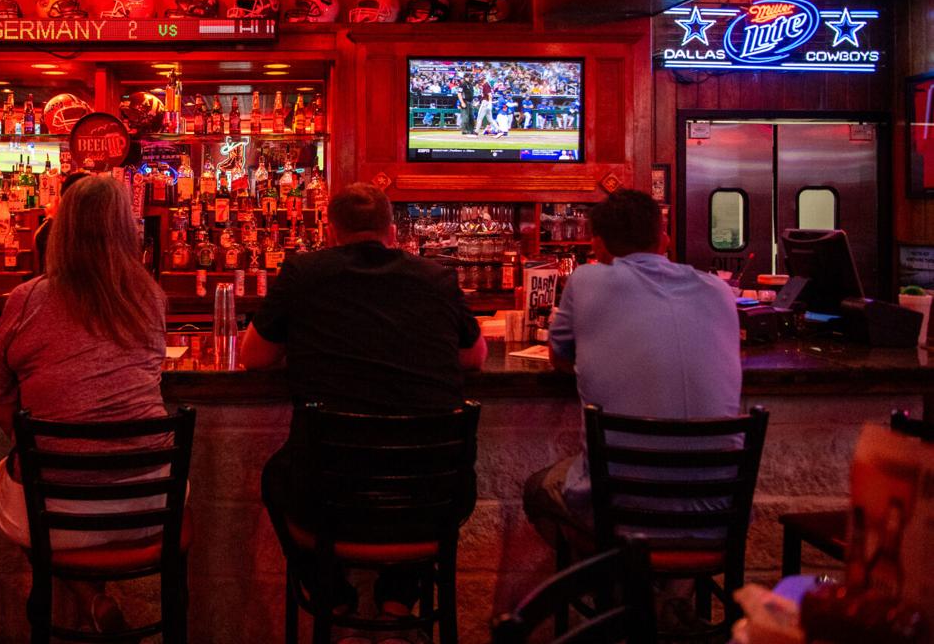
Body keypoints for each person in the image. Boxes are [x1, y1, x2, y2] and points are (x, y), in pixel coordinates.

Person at [242, 183, 486, 620]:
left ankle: (332, 597)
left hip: (329, 496)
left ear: (331, 232)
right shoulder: (436, 277)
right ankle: (399, 596)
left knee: (278, 477)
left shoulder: (302, 273)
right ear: (392, 232)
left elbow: (254, 356)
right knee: (426, 483)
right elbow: (475, 356)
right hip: (433, 496)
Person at [522, 189, 741, 624]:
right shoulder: (720, 292)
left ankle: (636, 611)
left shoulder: (586, 280)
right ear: (664, 238)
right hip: (720, 512)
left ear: (597, 243)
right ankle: (665, 608)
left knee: (537, 490)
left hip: (622, 512)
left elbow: (560, 357)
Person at [0, 174, 169, 635]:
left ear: (60, 230)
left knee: (4, 491)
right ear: (127, 230)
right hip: (149, 503)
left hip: (58, 509)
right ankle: (93, 597)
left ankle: (86, 595)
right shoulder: (150, 297)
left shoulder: (27, 299)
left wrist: (34, 445)